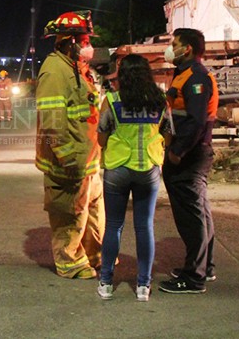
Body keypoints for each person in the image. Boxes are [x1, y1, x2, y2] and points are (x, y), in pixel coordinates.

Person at [36, 11, 105, 280]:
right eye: (84, 40)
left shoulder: (77, 69)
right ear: (68, 42)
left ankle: (94, 255)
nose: (88, 46)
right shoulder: (55, 72)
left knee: (92, 213)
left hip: (88, 159)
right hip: (68, 164)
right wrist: (68, 160)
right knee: (69, 214)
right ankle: (70, 263)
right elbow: (52, 126)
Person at [96, 54, 169, 302]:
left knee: (114, 225)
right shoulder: (159, 101)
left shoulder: (112, 100)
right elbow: (169, 134)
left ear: (122, 75)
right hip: (148, 169)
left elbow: (101, 138)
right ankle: (143, 286)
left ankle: (106, 283)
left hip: (117, 169)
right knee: (144, 226)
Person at [158, 28, 219, 294]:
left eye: (175, 44)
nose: (171, 48)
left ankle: (194, 278)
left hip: (189, 155)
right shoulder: (184, 74)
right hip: (188, 153)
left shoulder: (196, 77)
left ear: (189, 49)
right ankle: (204, 267)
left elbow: (195, 121)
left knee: (192, 217)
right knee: (199, 212)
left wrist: (178, 151)